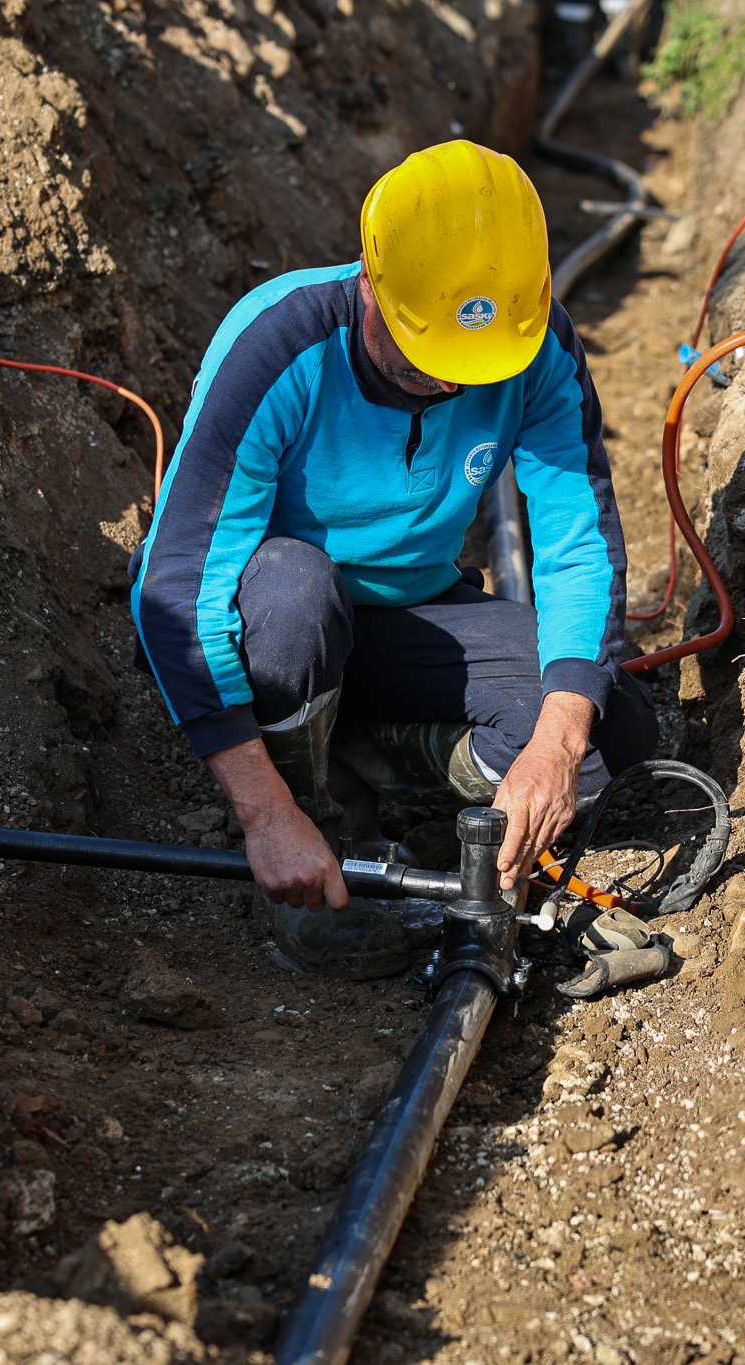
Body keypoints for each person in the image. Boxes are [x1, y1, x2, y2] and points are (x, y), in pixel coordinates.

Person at [129, 139, 655, 978]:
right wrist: (266, 813)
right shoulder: (278, 348)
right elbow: (178, 589)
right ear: (372, 282)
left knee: (608, 726)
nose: (448, 387)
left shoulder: (539, 347)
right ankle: (312, 834)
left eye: (466, 370)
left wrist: (553, 746)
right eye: (428, 360)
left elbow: (574, 542)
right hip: (274, 624)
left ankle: (366, 754)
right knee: (296, 592)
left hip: (410, 613)